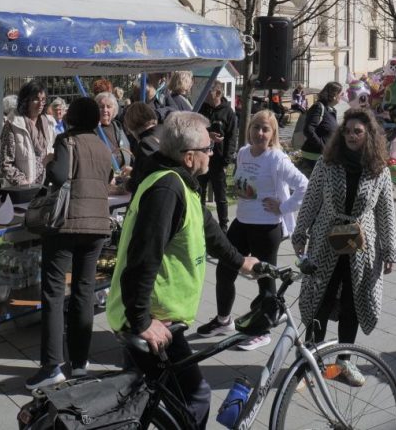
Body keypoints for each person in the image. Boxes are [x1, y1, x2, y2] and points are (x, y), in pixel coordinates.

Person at [105, 112, 258, 430]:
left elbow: (210, 232)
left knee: (136, 402)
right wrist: (142, 321)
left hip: (154, 317)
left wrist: (243, 262)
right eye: (208, 149)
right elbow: (143, 258)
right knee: (196, 397)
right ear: (190, 157)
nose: (212, 154)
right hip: (154, 323)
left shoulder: (178, 183)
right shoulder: (167, 190)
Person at [291, 108, 396, 386]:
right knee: (320, 302)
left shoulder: (378, 169)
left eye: (357, 131)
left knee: (353, 304)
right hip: (326, 241)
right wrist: (300, 232)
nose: (351, 136)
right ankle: (311, 364)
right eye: (348, 131)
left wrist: (390, 250)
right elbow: (312, 198)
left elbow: (386, 212)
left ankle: (343, 364)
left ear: (368, 135)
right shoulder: (328, 164)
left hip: (360, 248)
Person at [26, 98, 116, 390]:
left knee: (53, 293)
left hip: (66, 226)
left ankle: (51, 365)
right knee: (83, 292)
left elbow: (61, 176)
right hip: (98, 227)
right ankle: (79, 362)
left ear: (71, 119)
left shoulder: (67, 141)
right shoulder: (103, 147)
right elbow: (108, 178)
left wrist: (51, 161)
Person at [199, 110, 308, 350]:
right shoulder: (242, 153)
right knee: (225, 271)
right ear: (249, 129)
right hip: (242, 222)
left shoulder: (276, 158)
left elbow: (304, 186)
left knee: (265, 280)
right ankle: (223, 321)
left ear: (273, 134)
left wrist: (284, 206)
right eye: (256, 127)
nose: (260, 133)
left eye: (265, 129)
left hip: (267, 227)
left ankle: (263, 331)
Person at [198, 84, 237, 229]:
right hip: (202, 158)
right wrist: (208, 135)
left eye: (209, 91)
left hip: (218, 161)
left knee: (220, 196)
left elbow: (232, 138)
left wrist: (226, 161)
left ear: (218, 93)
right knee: (199, 193)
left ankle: (223, 227)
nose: (206, 94)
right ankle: (200, 223)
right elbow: (195, 129)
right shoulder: (202, 109)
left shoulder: (228, 113)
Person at [0, 81, 54, 187]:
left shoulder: (49, 123)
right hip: (22, 190)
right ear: (26, 101)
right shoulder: (13, 124)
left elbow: (52, 153)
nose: (40, 104)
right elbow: (6, 163)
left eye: (43, 100)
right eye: (35, 99)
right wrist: (23, 183)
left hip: (45, 187)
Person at [298, 82, 343, 175]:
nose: (342, 97)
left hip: (322, 156)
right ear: (334, 95)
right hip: (313, 156)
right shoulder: (319, 107)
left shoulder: (331, 110)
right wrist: (322, 146)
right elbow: (308, 129)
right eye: (341, 94)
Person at [122, 101, 160, 192]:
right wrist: (134, 171)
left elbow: (139, 182)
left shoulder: (146, 143)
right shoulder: (163, 133)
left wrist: (125, 184)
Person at [96, 91, 132, 173]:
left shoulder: (118, 127)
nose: (105, 110)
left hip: (123, 174)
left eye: (108, 107)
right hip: (105, 176)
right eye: (101, 107)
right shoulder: (94, 130)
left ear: (114, 109)